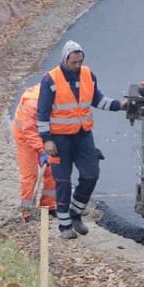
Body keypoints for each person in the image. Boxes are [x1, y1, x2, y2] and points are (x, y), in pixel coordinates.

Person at [36, 40, 128, 240]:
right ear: (65, 60)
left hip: (83, 135)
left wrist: (120, 105)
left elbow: (98, 100)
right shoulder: (50, 80)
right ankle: (64, 226)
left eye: (80, 62)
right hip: (59, 140)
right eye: (74, 63)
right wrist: (47, 140)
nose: (77, 66)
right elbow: (42, 114)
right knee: (63, 181)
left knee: (91, 174)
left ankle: (75, 212)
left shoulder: (88, 75)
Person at [11, 83, 56, 221]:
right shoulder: (32, 103)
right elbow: (30, 132)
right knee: (30, 175)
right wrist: (42, 152)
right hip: (24, 135)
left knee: (53, 168)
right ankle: (27, 212)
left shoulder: (59, 95)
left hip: (46, 133)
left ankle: (49, 206)